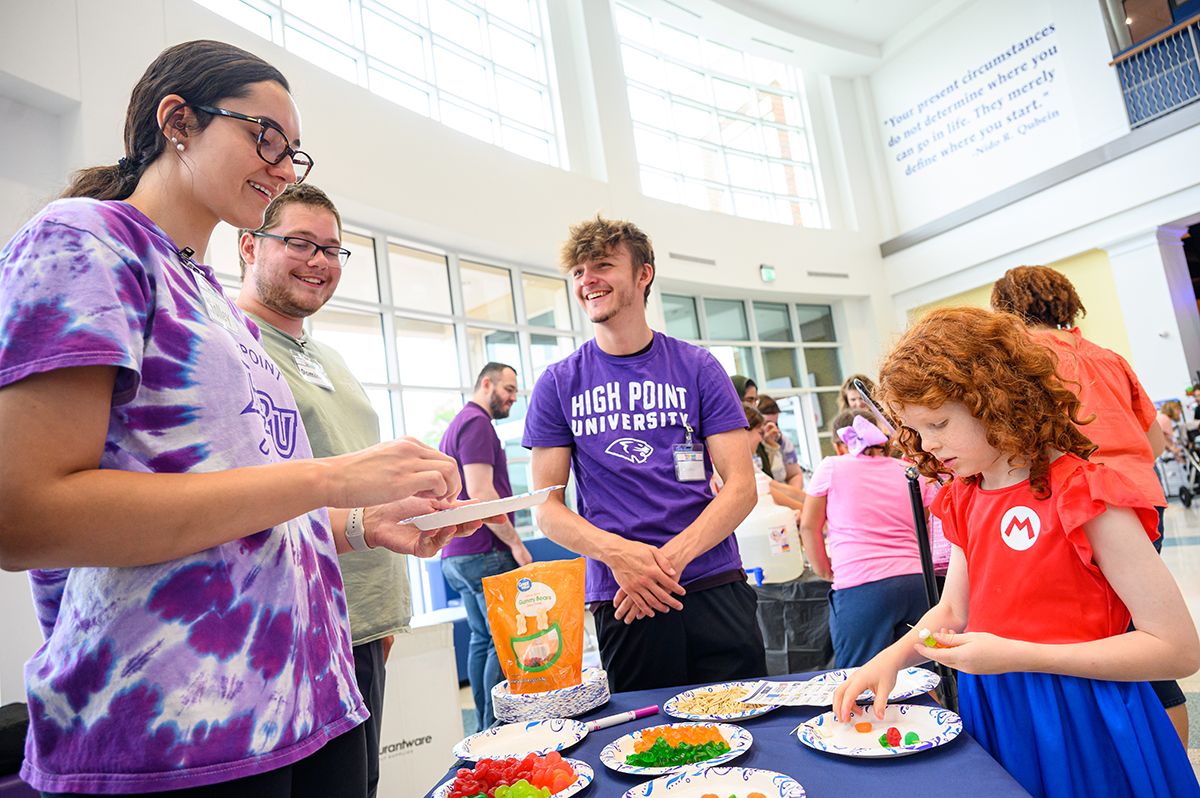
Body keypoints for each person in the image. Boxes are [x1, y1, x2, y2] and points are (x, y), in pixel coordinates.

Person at [0, 40, 494, 797]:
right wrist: (333, 476)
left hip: (295, 704)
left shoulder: (215, 308)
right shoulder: (88, 239)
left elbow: (235, 509)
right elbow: (24, 517)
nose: (283, 168)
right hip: (170, 725)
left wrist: (364, 522)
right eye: (265, 137)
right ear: (178, 121)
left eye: (295, 153)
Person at [832, 306, 1200, 798]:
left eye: (939, 423)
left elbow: (1176, 648)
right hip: (1000, 709)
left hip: (1086, 716)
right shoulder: (965, 495)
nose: (928, 445)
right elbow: (953, 609)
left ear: (997, 402)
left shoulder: (1088, 495)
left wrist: (1017, 655)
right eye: (916, 431)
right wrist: (891, 659)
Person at [523, 215, 767, 693]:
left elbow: (741, 486)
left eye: (603, 265)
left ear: (643, 274)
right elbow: (545, 509)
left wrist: (664, 563)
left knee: (748, 732)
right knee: (648, 749)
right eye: (578, 272)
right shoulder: (558, 383)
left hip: (712, 582)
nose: (587, 280)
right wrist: (622, 558)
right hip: (624, 598)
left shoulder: (698, 367)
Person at [235, 183, 410, 798]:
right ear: (248, 247)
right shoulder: (234, 348)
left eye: (333, 249)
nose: (320, 261)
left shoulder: (329, 357)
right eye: (301, 243)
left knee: (358, 786)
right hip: (295, 629)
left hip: (362, 622)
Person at [990, 264, 1188, 746]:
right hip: (1142, 498)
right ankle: (1175, 761)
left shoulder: (1019, 359)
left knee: (1099, 629)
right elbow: (1155, 440)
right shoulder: (1108, 357)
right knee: (1141, 627)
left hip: (1081, 503)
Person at [798, 410, 934, 667]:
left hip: (862, 588)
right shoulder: (911, 472)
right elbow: (922, 526)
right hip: (917, 585)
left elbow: (808, 527)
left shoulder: (831, 467)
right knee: (920, 677)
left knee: (859, 681)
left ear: (843, 443)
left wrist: (825, 571)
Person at [439, 362, 532, 731]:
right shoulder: (478, 423)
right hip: (484, 551)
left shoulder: (458, 423)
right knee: (502, 641)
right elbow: (481, 494)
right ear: (487, 383)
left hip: (458, 553)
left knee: (483, 638)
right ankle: (496, 727)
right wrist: (518, 544)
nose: (512, 398)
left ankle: (482, 726)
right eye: (508, 389)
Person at [755, 395, 805, 490]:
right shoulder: (751, 443)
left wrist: (793, 496)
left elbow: (795, 474)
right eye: (766, 423)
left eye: (775, 424)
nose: (772, 429)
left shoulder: (781, 441)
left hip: (784, 493)